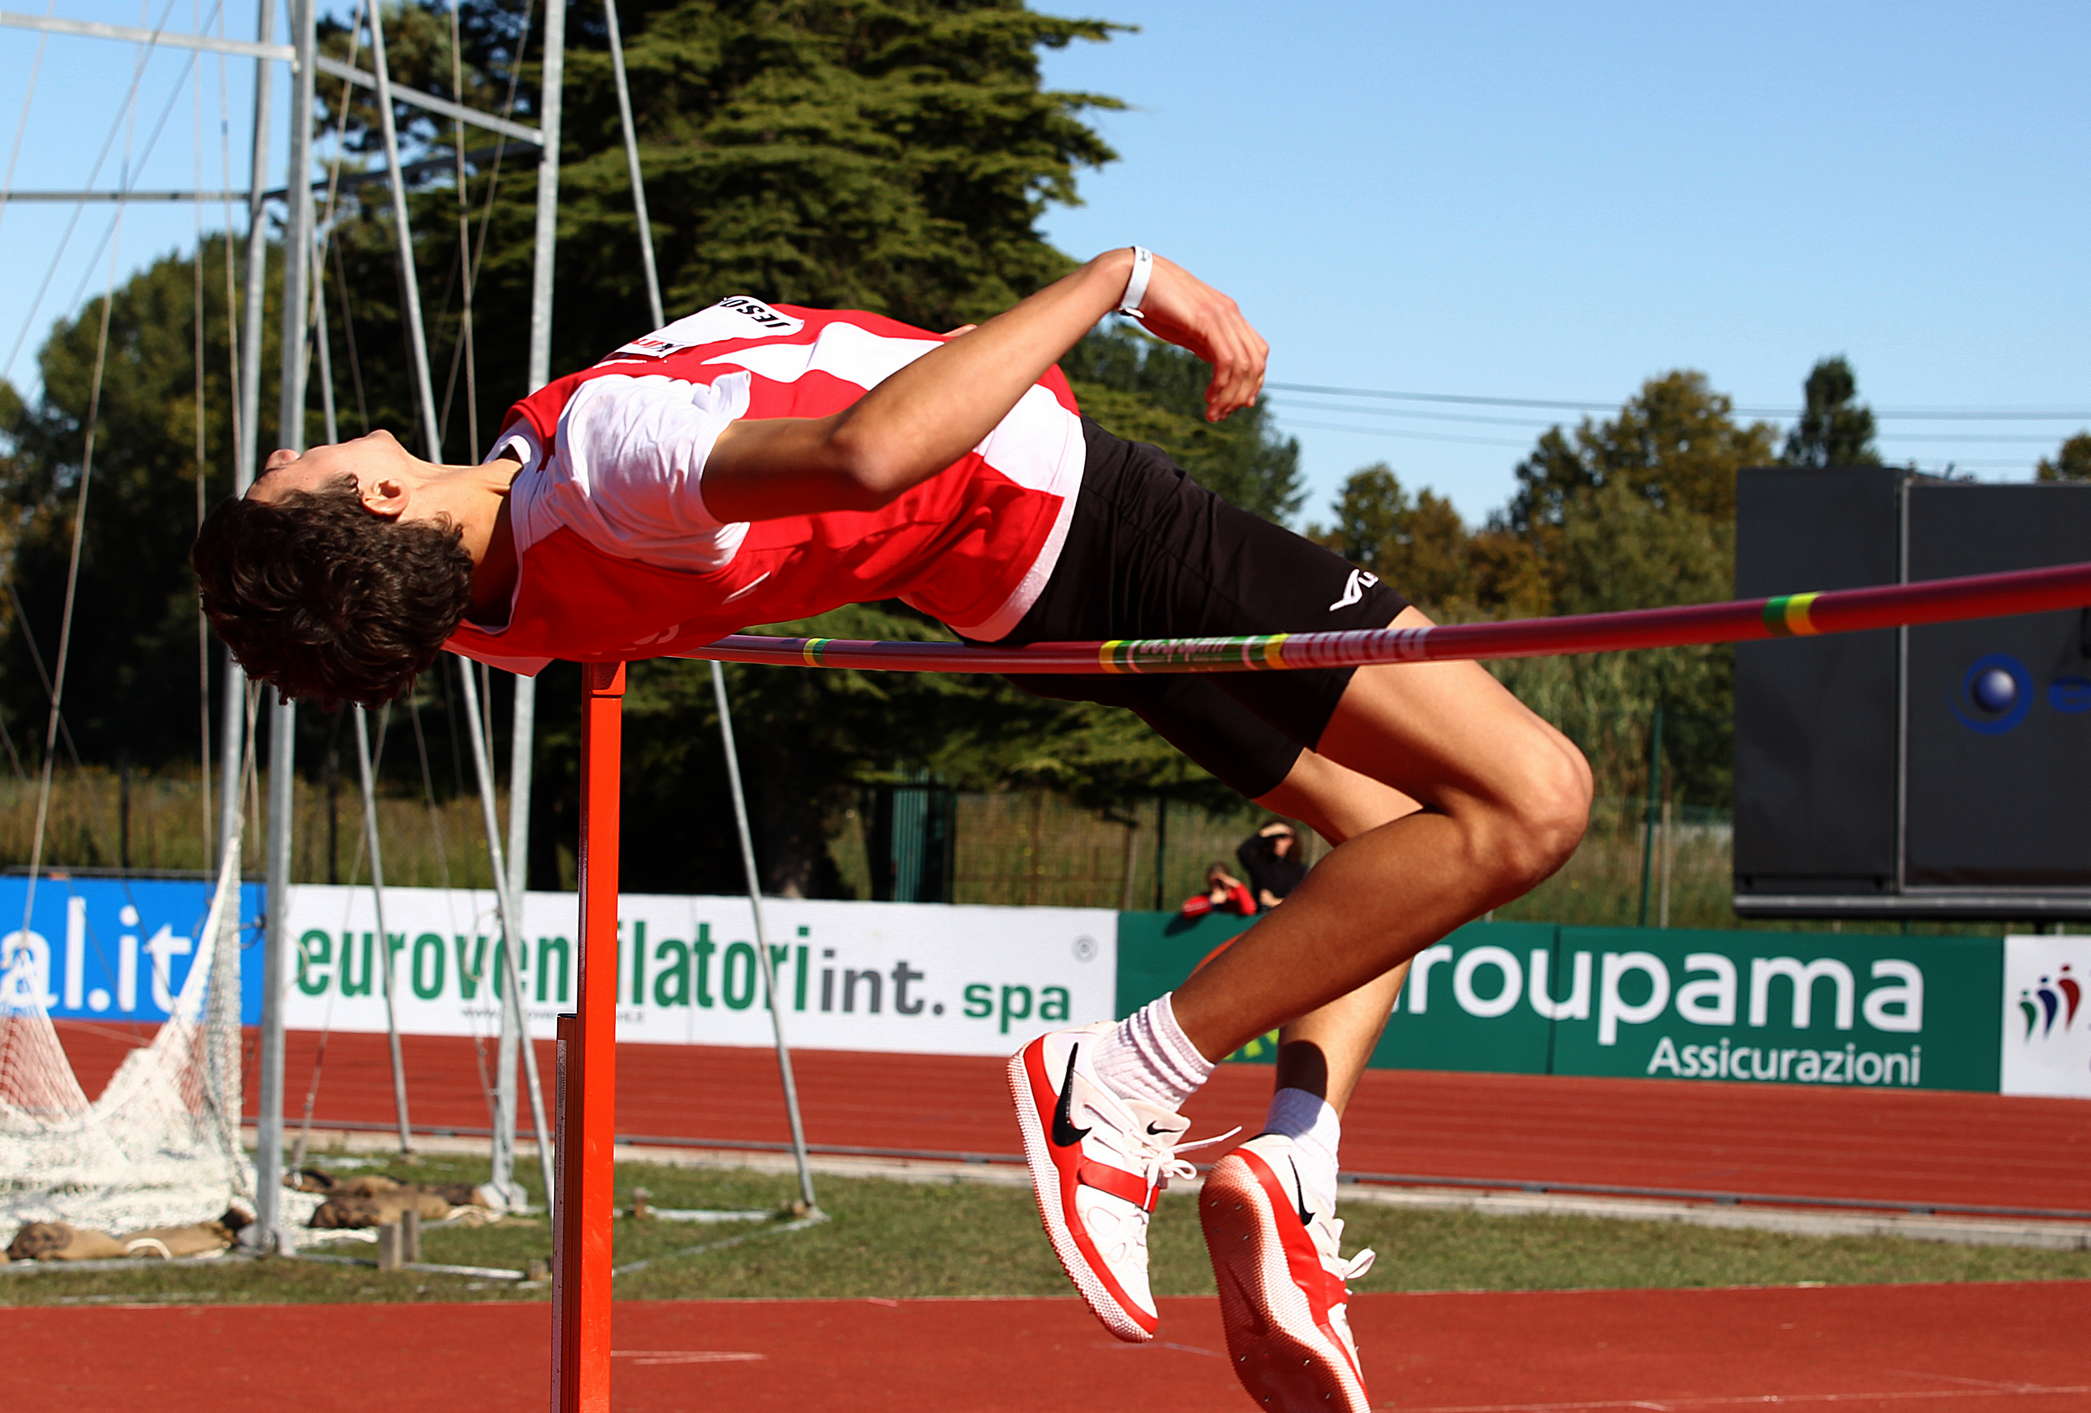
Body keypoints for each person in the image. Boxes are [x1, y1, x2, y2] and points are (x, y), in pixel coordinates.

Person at [192, 247, 1591, 1413]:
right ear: (379, 497)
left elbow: (448, 589)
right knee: (1533, 798)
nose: (285, 448)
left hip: (1011, 586)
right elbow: (865, 456)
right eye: (284, 473)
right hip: (1087, 517)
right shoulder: (601, 463)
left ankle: (1291, 1161)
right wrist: (1115, 279)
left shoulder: (490, 611)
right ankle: (1113, 1080)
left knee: (1390, 845)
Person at [1237, 818, 1307, 909]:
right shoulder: (1260, 864)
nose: (1277, 842)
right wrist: (1267, 831)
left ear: (1291, 840)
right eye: (1273, 837)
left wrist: (1274, 902)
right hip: (1262, 915)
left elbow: (1304, 900)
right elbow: (1243, 851)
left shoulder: (1300, 870)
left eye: (1283, 837)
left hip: (1289, 914)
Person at [1180, 860, 1257, 919]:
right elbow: (1187, 910)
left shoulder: (1235, 899)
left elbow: (1249, 910)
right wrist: (1210, 902)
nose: (1217, 885)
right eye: (1214, 882)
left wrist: (1238, 886)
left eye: (1220, 881)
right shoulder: (1205, 898)